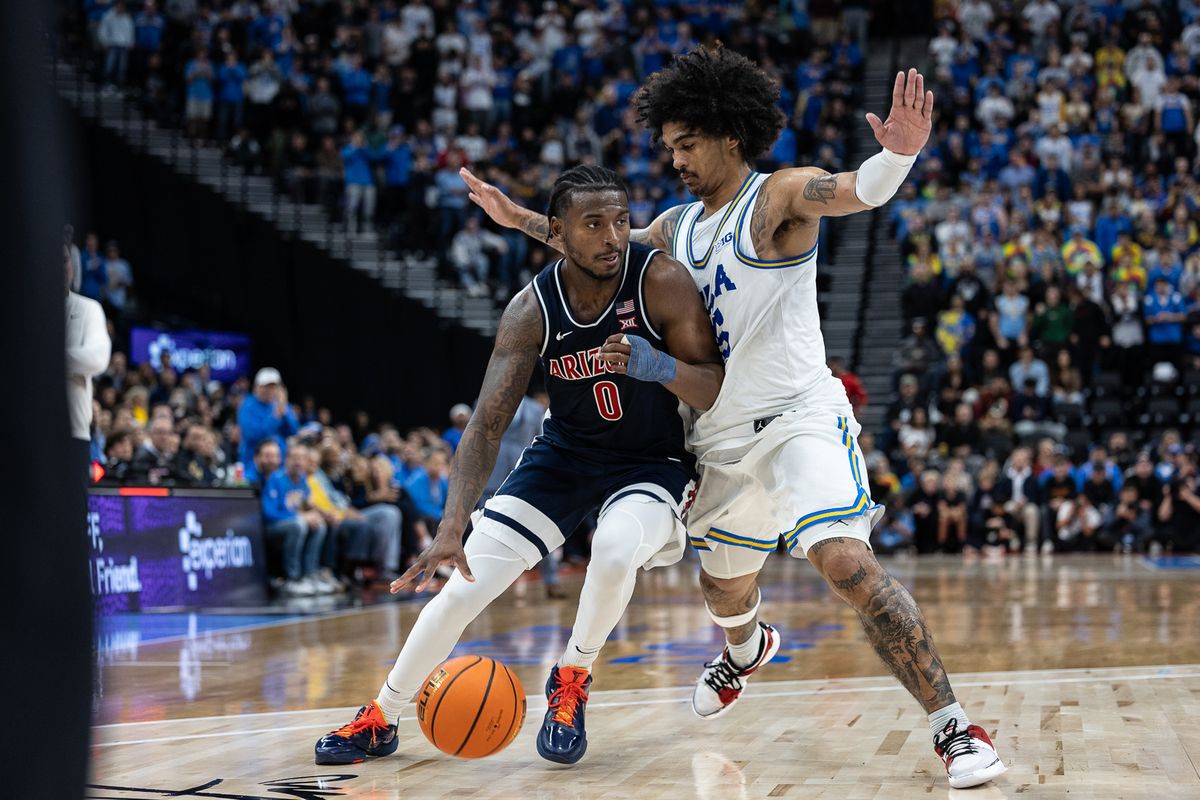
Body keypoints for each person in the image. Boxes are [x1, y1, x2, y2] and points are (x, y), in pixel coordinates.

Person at [464, 52, 1004, 787]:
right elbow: (600, 248)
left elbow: (850, 191)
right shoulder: (676, 227)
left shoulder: (775, 197)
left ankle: (955, 730)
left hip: (795, 420)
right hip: (715, 437)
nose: (676, 159)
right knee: (723, 592)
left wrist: (897, 156)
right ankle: (747, 649)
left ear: (728, 136)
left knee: (844, 562)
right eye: (670, 147)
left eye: (686, 143)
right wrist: (518, 217)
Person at [314, 165, 724, 767]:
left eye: (620, 220)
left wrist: (658, 367)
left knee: (611, 550)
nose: (613, 236)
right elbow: (485, 425)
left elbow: (712, 386)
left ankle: (572, 678)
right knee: (463, 582)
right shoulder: (532, 309)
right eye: (594, 224)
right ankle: (383, 714)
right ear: (559, 232)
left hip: (651, 460)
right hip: (565, 455)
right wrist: (452, 526)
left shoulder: (660, 281)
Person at [66, 244, 111, 480]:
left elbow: (98, 358)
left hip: (75, 433)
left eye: (65, 261)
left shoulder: (89, 308)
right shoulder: (22, 310)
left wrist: (46, 358)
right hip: (25, 432)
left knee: (72, 513)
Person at [238, 367, 299, 482]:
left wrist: (284, 411)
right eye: (266, 387)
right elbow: (252, 434)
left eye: (274, 387)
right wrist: (275, 417)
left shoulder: (281, 405)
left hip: (279, 463)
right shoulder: (248, 405)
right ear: (257, 388)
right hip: (254, 464)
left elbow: (293, 430)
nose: (270, 390)